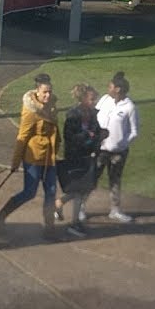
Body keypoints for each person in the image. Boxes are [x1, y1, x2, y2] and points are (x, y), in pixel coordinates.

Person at [0, 77, 60, 238]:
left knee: (51, 192)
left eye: (50, 92)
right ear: (37, 91)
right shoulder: (31, 112)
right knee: (29, 192)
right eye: (44, 92)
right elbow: (22, 137)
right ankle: (1, 214)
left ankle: (49, 228)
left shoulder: (51, 106)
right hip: (33, 157)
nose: (48, 96)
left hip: (49, 157)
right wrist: (15, 162)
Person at [55, 83, 102, 237]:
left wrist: (101, 134)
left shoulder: (93, 113)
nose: (94, 101)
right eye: (92, 98)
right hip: (75, 157)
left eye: (95, 98)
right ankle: (74, 223)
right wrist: (87, 136)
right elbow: (69, 137)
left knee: (84, 188)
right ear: (82, 98)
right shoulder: (73, 114)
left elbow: (95, 130)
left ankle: (60, 203)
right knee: (79, 190)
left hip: (88, 155)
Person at [94, 72, 139, 223]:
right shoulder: (105, 99)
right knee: (92, 178)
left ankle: (115, 210)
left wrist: (122, 144)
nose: (108, 88)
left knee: (115, 181)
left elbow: (134, 131)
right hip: (100, 149)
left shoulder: (129, 107)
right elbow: (95, 116)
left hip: (118, 152)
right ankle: (80, 208)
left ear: (118, 89)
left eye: (111, 86)